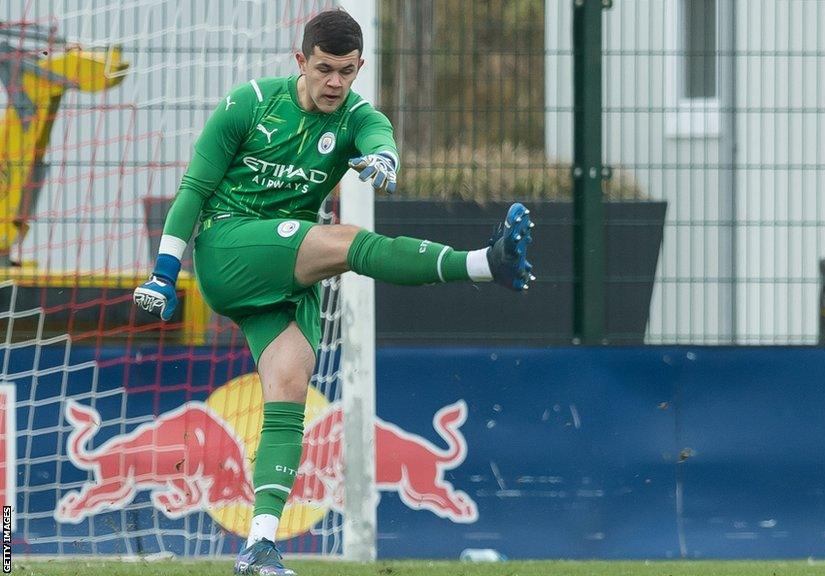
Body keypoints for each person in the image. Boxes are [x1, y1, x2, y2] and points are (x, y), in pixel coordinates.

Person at [132, 8, 533, 576]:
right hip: (229, 249)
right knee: (346, 242)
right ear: (301, 61)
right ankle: (485, 264)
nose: (335, 83)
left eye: (347, 71)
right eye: (324, 69)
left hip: (282, 274)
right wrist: (163, 274)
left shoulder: (354, 116)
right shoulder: (247, 103)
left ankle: (259, 545)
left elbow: (378, 134)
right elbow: (193, 191)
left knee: (292, 380)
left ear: (359, 67)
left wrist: (385, 157)